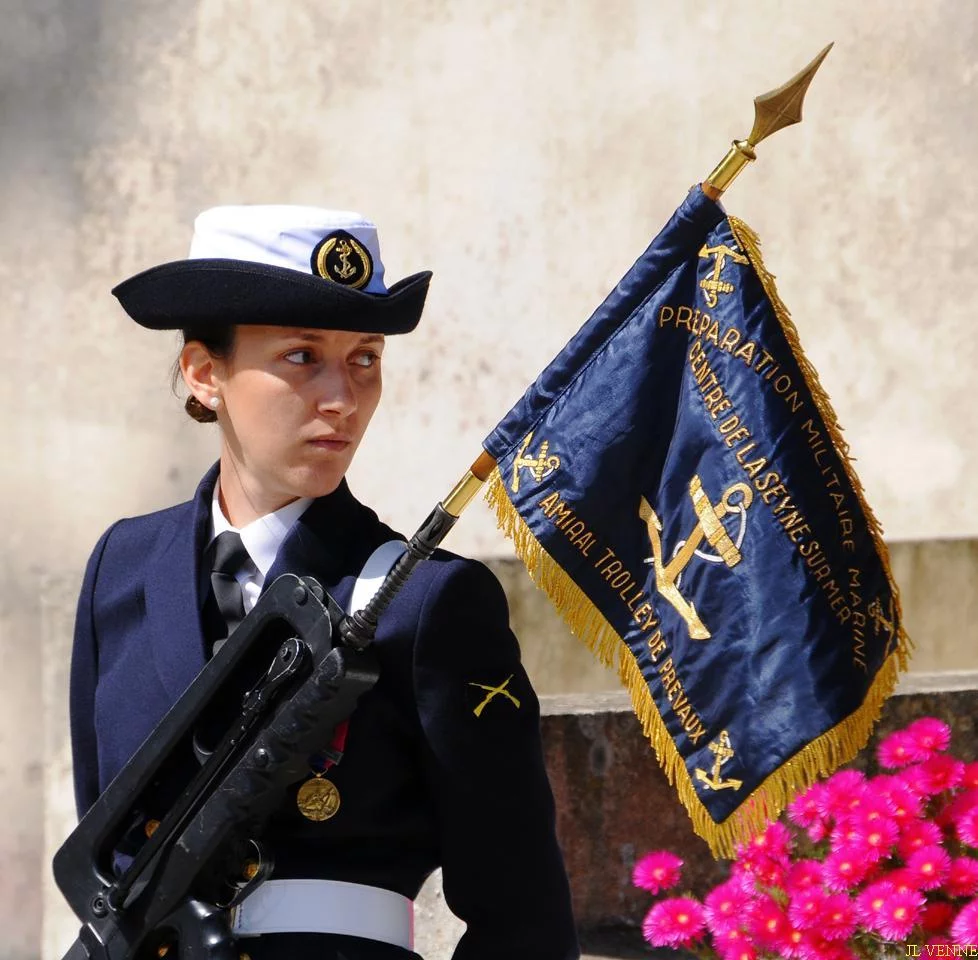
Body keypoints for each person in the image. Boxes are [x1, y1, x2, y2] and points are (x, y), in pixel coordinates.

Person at [69, 206, 580, 960]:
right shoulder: (124, 566)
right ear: (206, 374)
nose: (342, 396)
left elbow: (524, 917)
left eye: (365, 358)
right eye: (303, 356)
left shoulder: (426, 601)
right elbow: (105, 846)